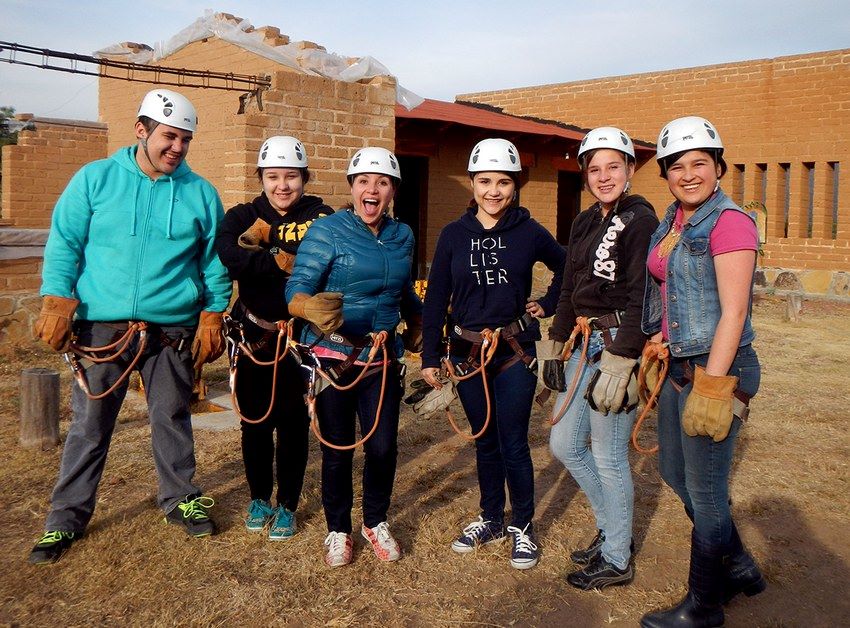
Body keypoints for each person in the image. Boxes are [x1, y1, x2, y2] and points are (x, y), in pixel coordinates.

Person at [29, 88, 232, 564]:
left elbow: (214, 262)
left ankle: (180, 500)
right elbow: (65, 244)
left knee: (172, 417)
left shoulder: (201, 193)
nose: (177, 148)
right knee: (90, 425)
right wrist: (57, 300)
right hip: (102, 329)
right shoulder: (94, 180)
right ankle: (65, 518)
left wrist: (213, 311)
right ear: (141, 130)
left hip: (172, 331)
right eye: (169, 137)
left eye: (185, 139)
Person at [639, 116, 764, 628]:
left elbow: (733, 313)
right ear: (666, 173)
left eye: (699, 163)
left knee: (707, 491)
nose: (689, 174)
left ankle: (705, 605)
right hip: (679, 363)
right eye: (677, 166)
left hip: (719, 368)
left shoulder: (730, 222)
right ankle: (738, 566)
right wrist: (658, 335)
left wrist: (712, 385)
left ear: (717, 167)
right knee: (674, 472)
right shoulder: (673, 221)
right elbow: (674, 291)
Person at [421, 138, 566, 570]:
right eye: (485, 181)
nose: (494, 191)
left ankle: (522, 524)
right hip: (466, 353)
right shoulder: (452, 235)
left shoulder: (528, 230)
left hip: (513, 351)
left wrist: (552, 301)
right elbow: (435, 301)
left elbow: (566, 263)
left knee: (514, 442)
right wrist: (429, 356)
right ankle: (490, 517)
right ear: (472, 182)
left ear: (515, 184)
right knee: (485, 440)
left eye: (504, 182)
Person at [285, 146, 422, 567]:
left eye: (382, 182)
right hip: (333, 357)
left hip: (381, 357)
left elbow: (402, 290)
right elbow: (297, 286)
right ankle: (338, 529)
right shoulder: (328, 230)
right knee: (338, 448)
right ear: (351, 187)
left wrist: (419, 324)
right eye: (363, 181)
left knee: (382, 447)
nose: (372, 190)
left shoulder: (403, 236)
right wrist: (307, 308)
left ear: (393, 190)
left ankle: (374, 521)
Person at [543, 128, 658, 589]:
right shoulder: (585, 221)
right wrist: (555, 340)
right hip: (583, 342)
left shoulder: (641, 220)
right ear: (585, 175)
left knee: (608, 456)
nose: (604, 176)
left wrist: (624, 356)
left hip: (615, 346)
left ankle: (617, 556)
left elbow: (641, 295)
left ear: (630, 170)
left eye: (614, 166)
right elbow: (570, 286)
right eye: (595, 168)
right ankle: (613, 530)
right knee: (564, 444)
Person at [215, 136, 332, 540]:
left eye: (291, 177)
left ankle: (288, 504)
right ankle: (260, 496)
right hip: (253, 334)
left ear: (304, 178)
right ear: (262, 178)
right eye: (273, 176)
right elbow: (229, 255)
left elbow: (325, 257)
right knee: (255, 421)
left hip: (299, 340)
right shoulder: (242, 214)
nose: (282, 185)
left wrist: (263, 250)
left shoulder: (321, 215)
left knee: (294, 422)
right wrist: (282, 259)